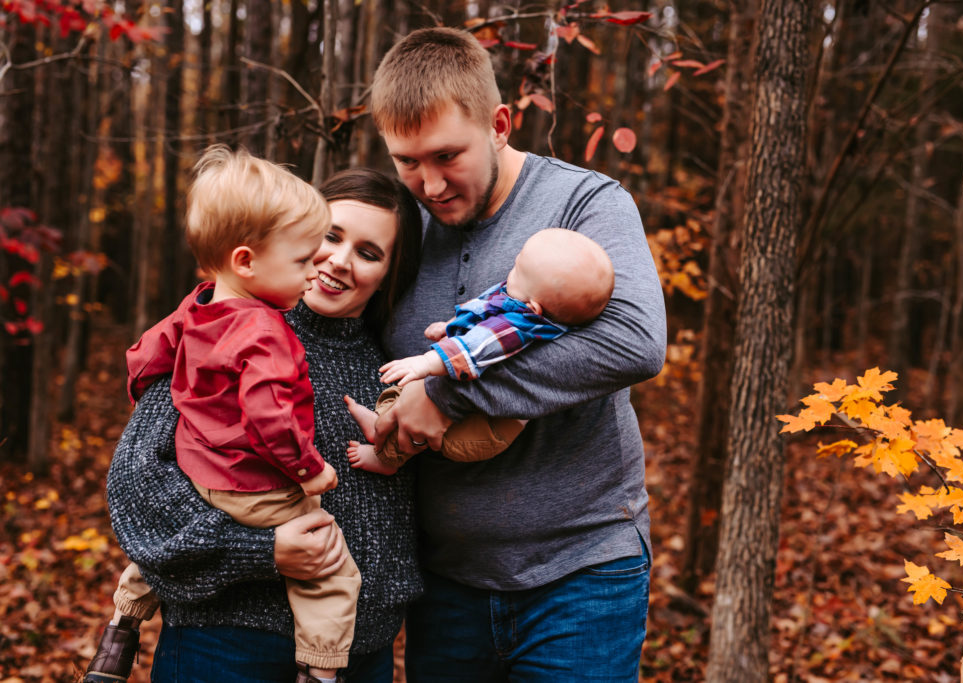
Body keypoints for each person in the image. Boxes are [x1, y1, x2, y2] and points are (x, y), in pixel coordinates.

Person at [369, 26, 667, 681]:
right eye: (407, 161)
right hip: (446, 583)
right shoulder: (399, 226)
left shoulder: (585, 203)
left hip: (582, 573)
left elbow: (636, 342)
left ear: (500, 123)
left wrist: (449, 390)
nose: (430, 182)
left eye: (448, 155)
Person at [92, 167, 424, 683]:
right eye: (329, 236)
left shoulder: (396, 367)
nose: (337, 260)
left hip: (364, 653)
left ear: (390, 272)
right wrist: (261, 551)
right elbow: (136, 488)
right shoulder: (226, 329)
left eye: (368, 252)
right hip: (226, 643)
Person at [345, 227, 615, 475]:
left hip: (487, 429)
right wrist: (452, 327)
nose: (510, 272)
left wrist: (426, 362)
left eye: (517, 271)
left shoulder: (520, 326)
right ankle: (383, 422)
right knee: (415, 395)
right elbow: (486, 309)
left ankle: (388, 458)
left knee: (426, 411)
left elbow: (476, 349)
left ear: (534, 308)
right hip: (482, 407)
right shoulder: (525, 300)